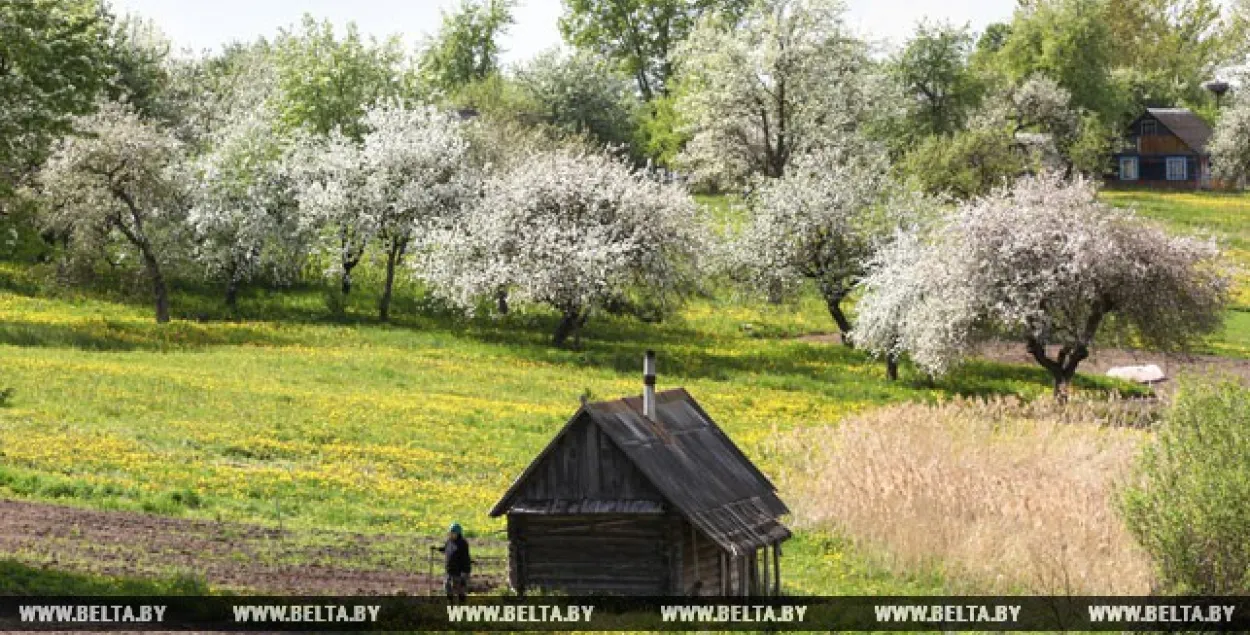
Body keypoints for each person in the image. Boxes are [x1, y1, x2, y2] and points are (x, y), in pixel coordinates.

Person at [433, 522, 471, 602]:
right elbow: (446, 549)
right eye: (450, 533)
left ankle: (461, 606)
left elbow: (466, 559)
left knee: (459, 590)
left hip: (459, 572)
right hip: (449, 570)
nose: (450, 534)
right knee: (447, 587)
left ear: (458, 533)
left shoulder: (463, 544)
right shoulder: (449, 541)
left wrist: (464, 572)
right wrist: (436, 548)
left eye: (452, 533)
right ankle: (450, 603)